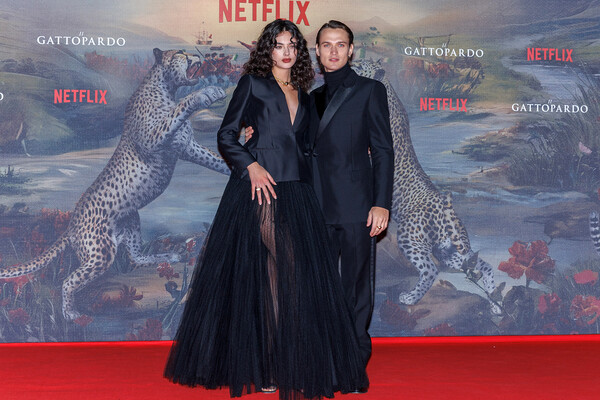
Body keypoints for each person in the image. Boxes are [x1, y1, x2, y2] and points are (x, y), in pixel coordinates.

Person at [164, 19, 368, 399]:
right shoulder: (253, 84)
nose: (286, 51)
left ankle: (274, 366)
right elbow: (226, 135)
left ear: (300, 51)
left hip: (298, 191)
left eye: (292, 45)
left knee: (276, 278)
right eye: (278, 45)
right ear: (267, 50)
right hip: (260, 190)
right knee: (292, 268)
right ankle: (285, 364)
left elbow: (309, 147)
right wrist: (251, 165)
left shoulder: (305, 94)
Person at [308, 20, 394, 381]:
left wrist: (381, 202)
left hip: (358, 206)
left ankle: (353, 367)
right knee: (320, 288)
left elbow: (384, 150)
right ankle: (325, 361)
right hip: (314, 206)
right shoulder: (310, 98)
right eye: (327, 45)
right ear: (317, 51)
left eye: (340, 44)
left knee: (356, 289)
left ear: (351, 49)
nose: (333, 51)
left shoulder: (370, 90)